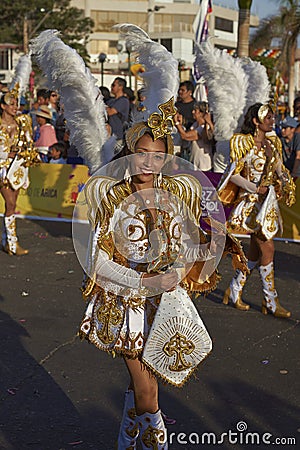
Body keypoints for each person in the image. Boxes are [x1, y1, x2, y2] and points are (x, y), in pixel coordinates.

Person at [218, 102, 296, 318]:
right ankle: (270, 300)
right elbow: (232, 174)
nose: (272, 121)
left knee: (255, 250)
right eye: (268, 117)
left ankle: (234, 290)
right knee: (268, 247)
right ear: (256, 121)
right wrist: (255, 188)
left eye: (272, 117)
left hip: (266, 203)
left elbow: (279, 168)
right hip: (250, 203)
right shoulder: (243, 143)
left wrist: (285, 182)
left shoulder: (273, 142)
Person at [0, 85, 39, 255]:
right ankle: (13, 244)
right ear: (3, 106)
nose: (15, 107)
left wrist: (28, 153)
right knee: (10, 204)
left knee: (12, 204)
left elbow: (29, 144)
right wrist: (7, 153)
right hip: (1, 169)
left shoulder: (22, 123)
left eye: (16, 104)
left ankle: (5, 240)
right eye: (11, 104)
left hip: (17, 168)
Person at [175, 101, 214, 171]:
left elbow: (185, 136)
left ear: (201, 113)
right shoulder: (195, 124)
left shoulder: (203, 127)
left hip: (203, 165)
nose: (192, 112)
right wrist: (180, 124)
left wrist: (176, 123)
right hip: (194, 163)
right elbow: (186, 134)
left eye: (195, 110)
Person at [175, 81, 196, 160]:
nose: (180, 92)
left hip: (190, 139)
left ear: (190, 92)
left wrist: (183, 121)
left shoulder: (195, 105)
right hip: (177, 138)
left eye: (183, 90)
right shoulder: (177, 105)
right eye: (179, 90)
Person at [106, 77, 130, 144]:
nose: (111, 87)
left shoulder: (123, 101)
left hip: (117, 137)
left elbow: (110, 112)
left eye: (113, 85)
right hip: (108, 135)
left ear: (120, 87)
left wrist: (103, 107)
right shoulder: (110, 101)